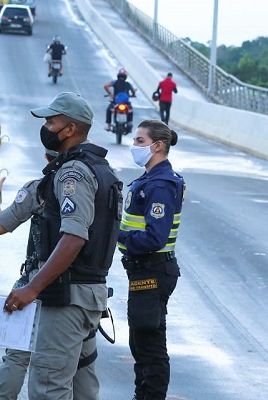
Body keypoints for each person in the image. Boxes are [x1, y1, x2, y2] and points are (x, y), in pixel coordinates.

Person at [2, 92, 122, 400]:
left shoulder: (72, 173)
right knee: (82, 389)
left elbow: (74, 237)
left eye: (51, 122)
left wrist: (32, 288)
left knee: (48, 387)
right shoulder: (99, 168)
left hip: (67, 296)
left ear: (69, 129)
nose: (46, 127)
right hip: (87, 293)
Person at [0, 152, 102, 400]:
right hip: (83, 292)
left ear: (46, 155)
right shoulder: (96, 188)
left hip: (36, 285)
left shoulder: (39, 189)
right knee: (84, 360)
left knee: (18, 353)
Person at [118, 120, 185, 400]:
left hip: (153, 270)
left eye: (140, 141)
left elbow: (155, 238)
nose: (135, 146)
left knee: (149, 344)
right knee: (141, 339)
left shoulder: (160, 184)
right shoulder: (150, 180)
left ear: (158, 146)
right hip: (146, 270)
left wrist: (119, 237)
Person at [104, 67, 137, 132]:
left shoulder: (115, 82)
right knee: (130, 110)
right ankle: (129, 122)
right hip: (125, 103)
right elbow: (133, 91)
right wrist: (133, 95)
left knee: (109, 109)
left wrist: (110, 93)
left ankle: (108, 125)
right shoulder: (128, 84)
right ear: (125, 76)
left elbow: (106, 86)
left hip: (116, 102)